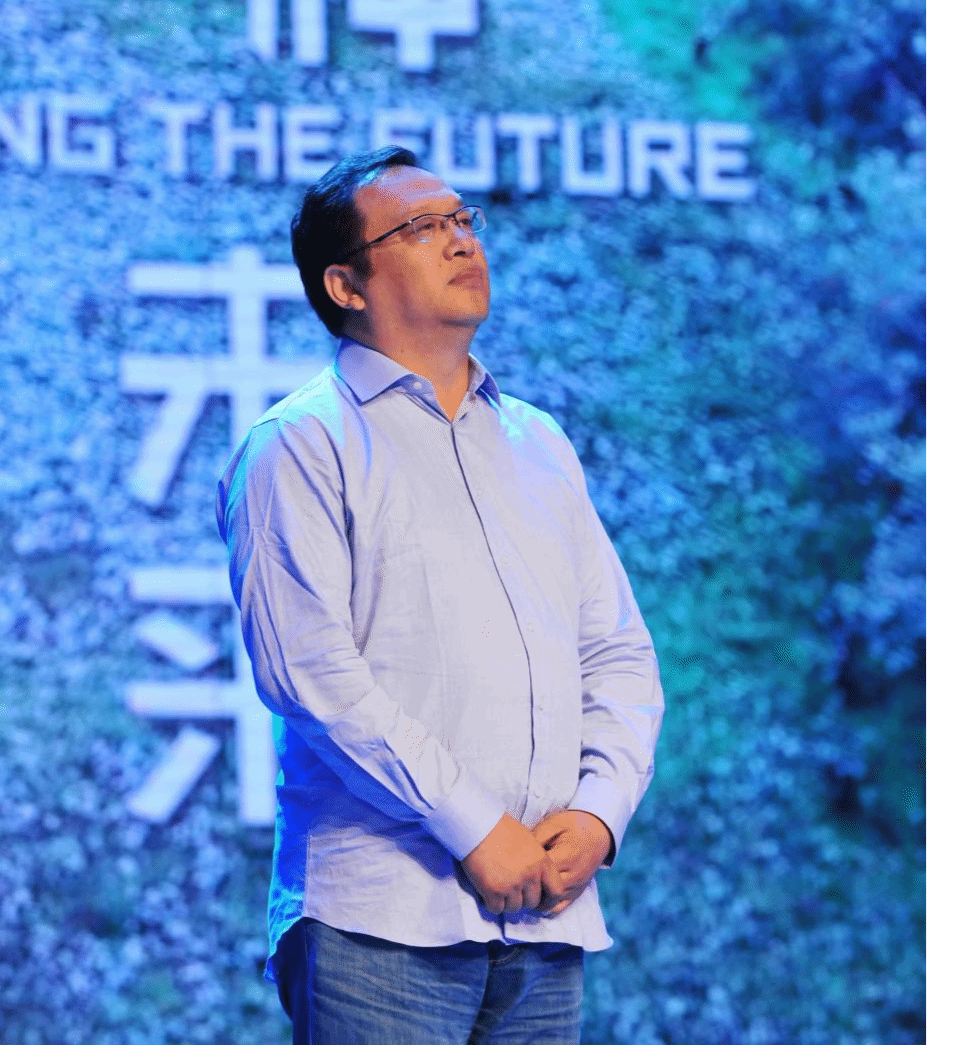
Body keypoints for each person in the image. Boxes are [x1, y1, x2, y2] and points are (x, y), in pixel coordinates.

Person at [216, 146, 665, 1045]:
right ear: (345, 284)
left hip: (547, 917)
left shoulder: (538, 441)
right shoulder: (300, 442)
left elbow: (616, 651)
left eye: (464, 219)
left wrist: (598, 813)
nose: (462, 240)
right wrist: (474, 827)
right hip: (380, 921)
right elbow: (311, 675)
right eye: (423, 227)